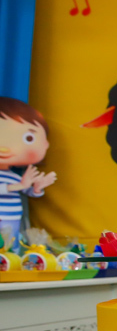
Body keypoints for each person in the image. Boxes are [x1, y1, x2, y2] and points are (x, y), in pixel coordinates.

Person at [0, 98, 55, 241]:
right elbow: (14, 187)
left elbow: (27, 191)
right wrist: (19, 185)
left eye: (28, 138)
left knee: (10, 246)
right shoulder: (18, 181)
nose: (4, 148)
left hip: (13, 217)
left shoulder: (14, 176)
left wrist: (36, 188)